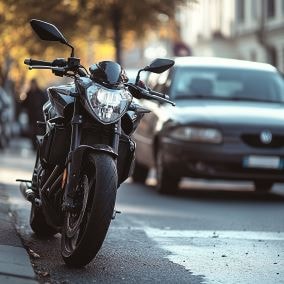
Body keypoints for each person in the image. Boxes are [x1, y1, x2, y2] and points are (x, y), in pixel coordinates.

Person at [23, 79, 47, 149]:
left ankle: (38, 145)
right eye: (31, 84)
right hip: (31, 117)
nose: (32, 86)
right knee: (32, 132)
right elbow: (24, 104)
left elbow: (44, 102)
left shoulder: (40, 92)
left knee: (39, 131)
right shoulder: (28, 93)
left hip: (39, 116)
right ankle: (34, 145)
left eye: (33, 84)